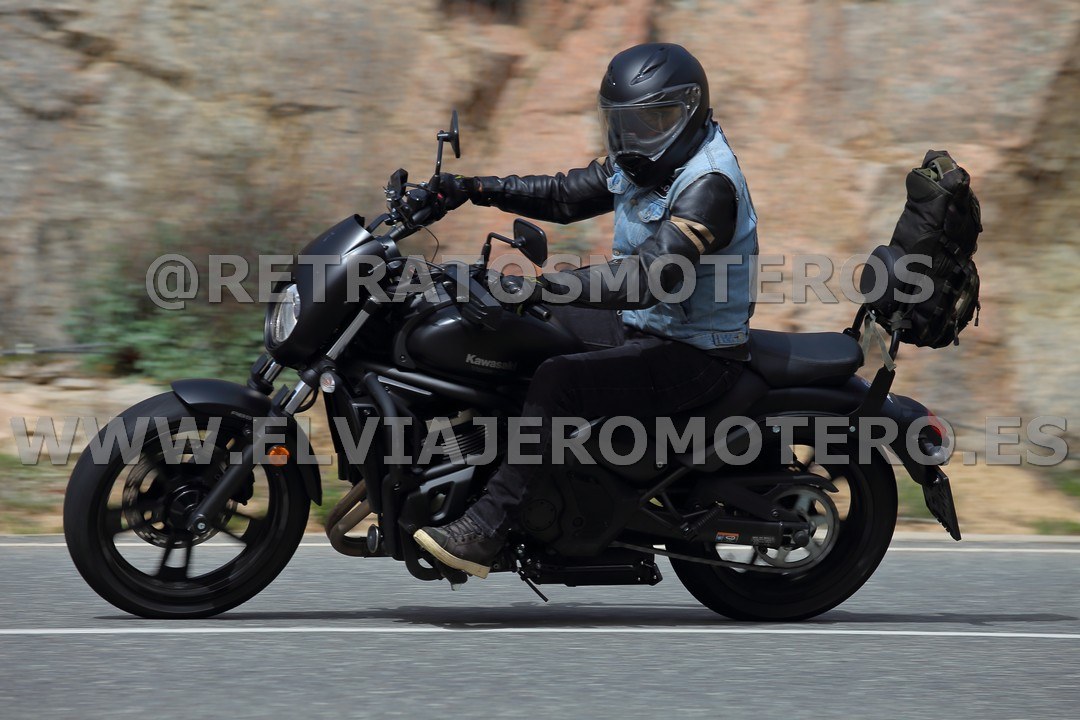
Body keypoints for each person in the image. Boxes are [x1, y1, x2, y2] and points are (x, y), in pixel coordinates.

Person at [412, 42, 759, 578]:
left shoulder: (708, 186)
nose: (635, 136)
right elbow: (564, 195)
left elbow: (649, 277)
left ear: (688, 111)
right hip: (645, 326)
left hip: (695, 352)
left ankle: (486, 527)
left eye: (652, 121)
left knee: (559, 380)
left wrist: (543, 288)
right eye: (624, 123)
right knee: (512, 330)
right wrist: (472, 189)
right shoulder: (647, 163)